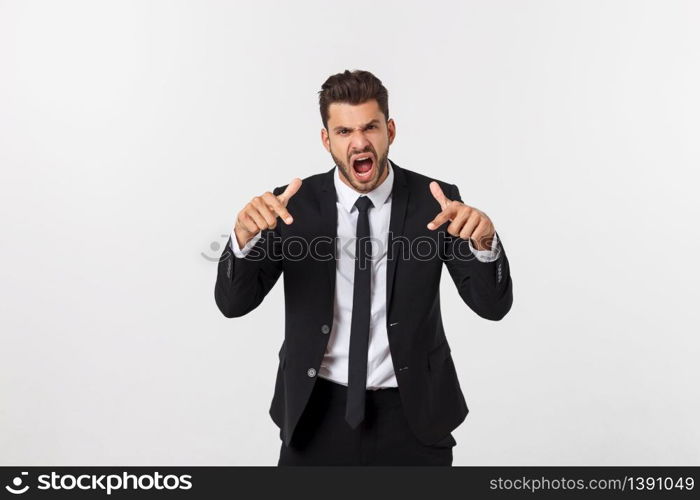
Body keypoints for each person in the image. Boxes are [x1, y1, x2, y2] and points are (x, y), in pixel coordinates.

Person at [214, 69, 513, 465]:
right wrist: (242, 239)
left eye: (371, 127)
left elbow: (492, 307)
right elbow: (234, 304)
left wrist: (484, 243)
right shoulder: (290, 209)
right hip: (314, 412)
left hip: (414, 417)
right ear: (326, 139)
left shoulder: (436, 203)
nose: (359, 142)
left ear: (390, 130)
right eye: (343, 132)